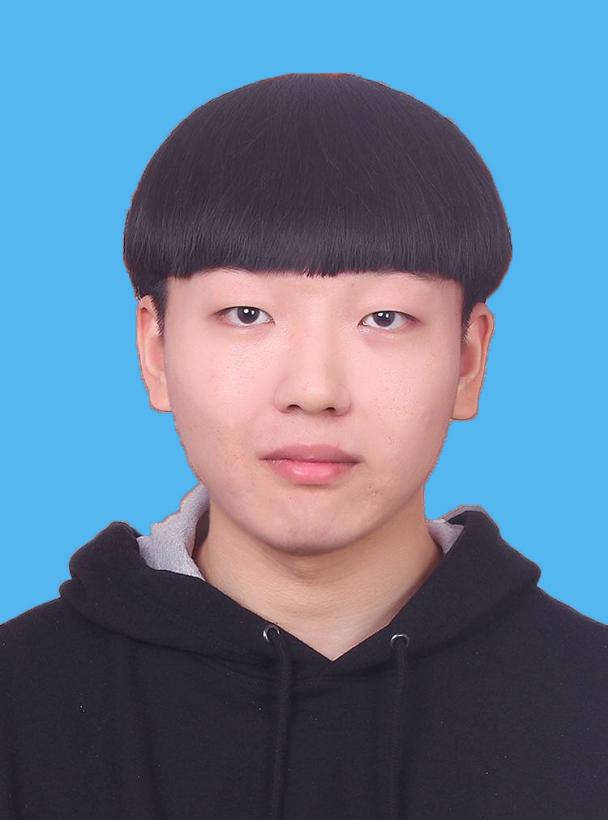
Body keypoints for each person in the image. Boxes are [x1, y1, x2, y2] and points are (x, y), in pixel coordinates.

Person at [1, 73, 606, 820]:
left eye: (384, 318)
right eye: (246, 313)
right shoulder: (18, 703)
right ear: (155, 349)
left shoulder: (590, 700)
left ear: (468, 360)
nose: (314, 390)